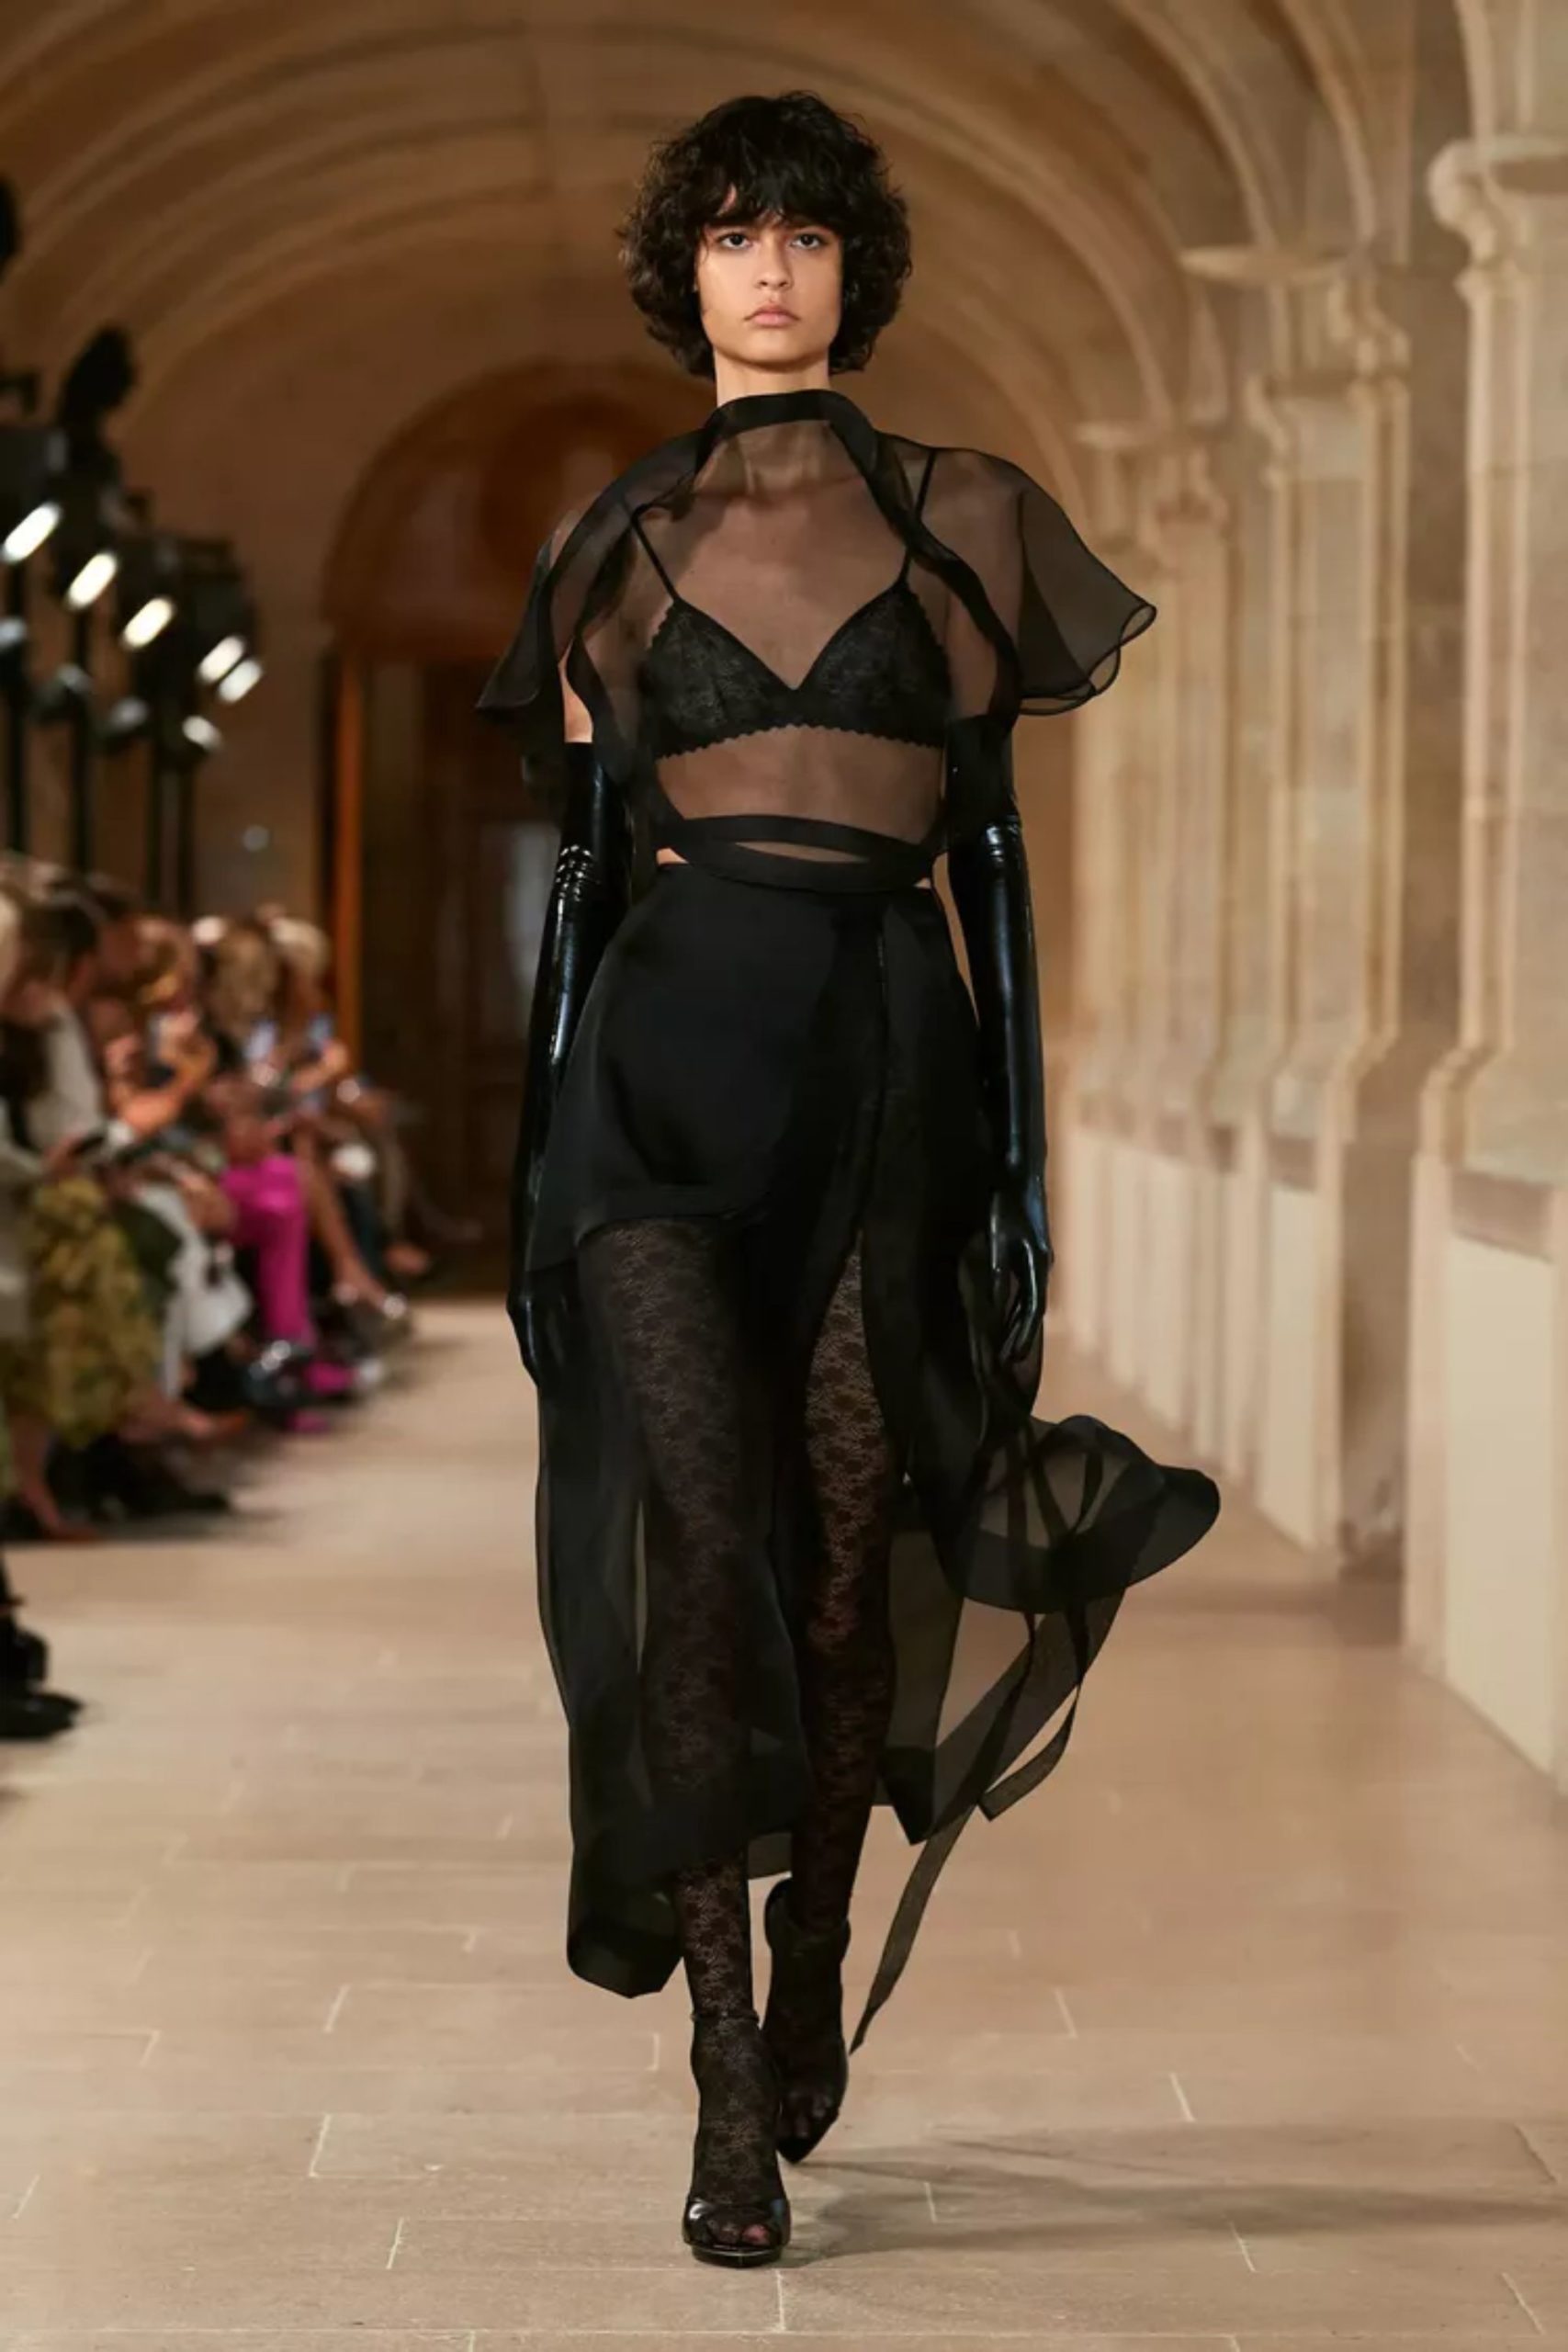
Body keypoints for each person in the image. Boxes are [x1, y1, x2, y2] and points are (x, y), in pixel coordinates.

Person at [477, 90, 1221, 2268]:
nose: (771, 266)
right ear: (686, 274)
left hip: (888, 1060)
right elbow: (580, 884)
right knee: (699, 1551)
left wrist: (1023, 1168)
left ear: (850, 270)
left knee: (831, 1577)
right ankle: (727, 2087)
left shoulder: (966, 514)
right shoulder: (612, 535)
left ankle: (809, 1961)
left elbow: (991, 861)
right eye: (732, 234)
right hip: (655, 1079)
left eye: (804, 232)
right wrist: (530, 1167)